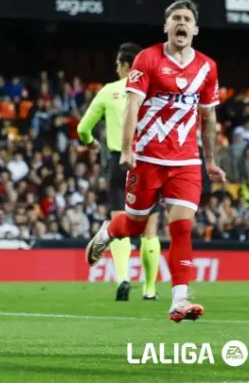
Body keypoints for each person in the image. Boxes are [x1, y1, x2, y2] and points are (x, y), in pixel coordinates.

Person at [85, 0, 224, 322]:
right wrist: (127, 149)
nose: (181, 23)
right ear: (166, 26)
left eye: (187, 19)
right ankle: (108, 232)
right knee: (133, 224)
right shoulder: (147, 59)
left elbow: (209, 115)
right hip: (147, 158)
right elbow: (132, 105)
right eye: (176, 18)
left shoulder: (207, 67)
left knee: (181, 227)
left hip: (186, 161)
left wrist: (212, 160)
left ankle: (179, 300)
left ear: (195, 29)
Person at [77, 42, 162, 302]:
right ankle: (149, 290)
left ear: (125, 65)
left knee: (120, 224)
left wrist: (92, 143)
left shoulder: (108, 91)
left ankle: (123, 279)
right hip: (147, 161)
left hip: (118, 162)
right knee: (150, 229)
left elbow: (83, 129)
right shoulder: (153, 89)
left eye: (117, 63)